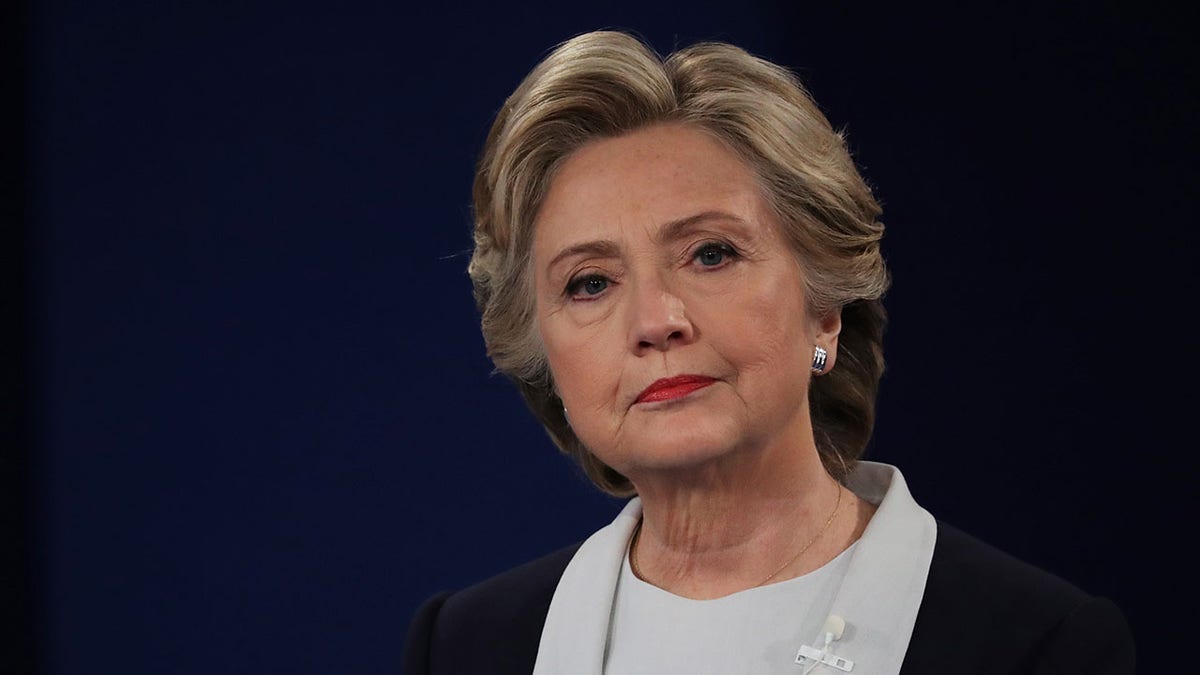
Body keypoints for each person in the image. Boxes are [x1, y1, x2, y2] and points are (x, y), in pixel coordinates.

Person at [403, 30, 1135, 674]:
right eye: (590, 282)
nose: (656, 320)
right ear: (543, 353)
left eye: (711, 254)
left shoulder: (1039, 647)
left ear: (825, 309)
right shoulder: (467, 646)